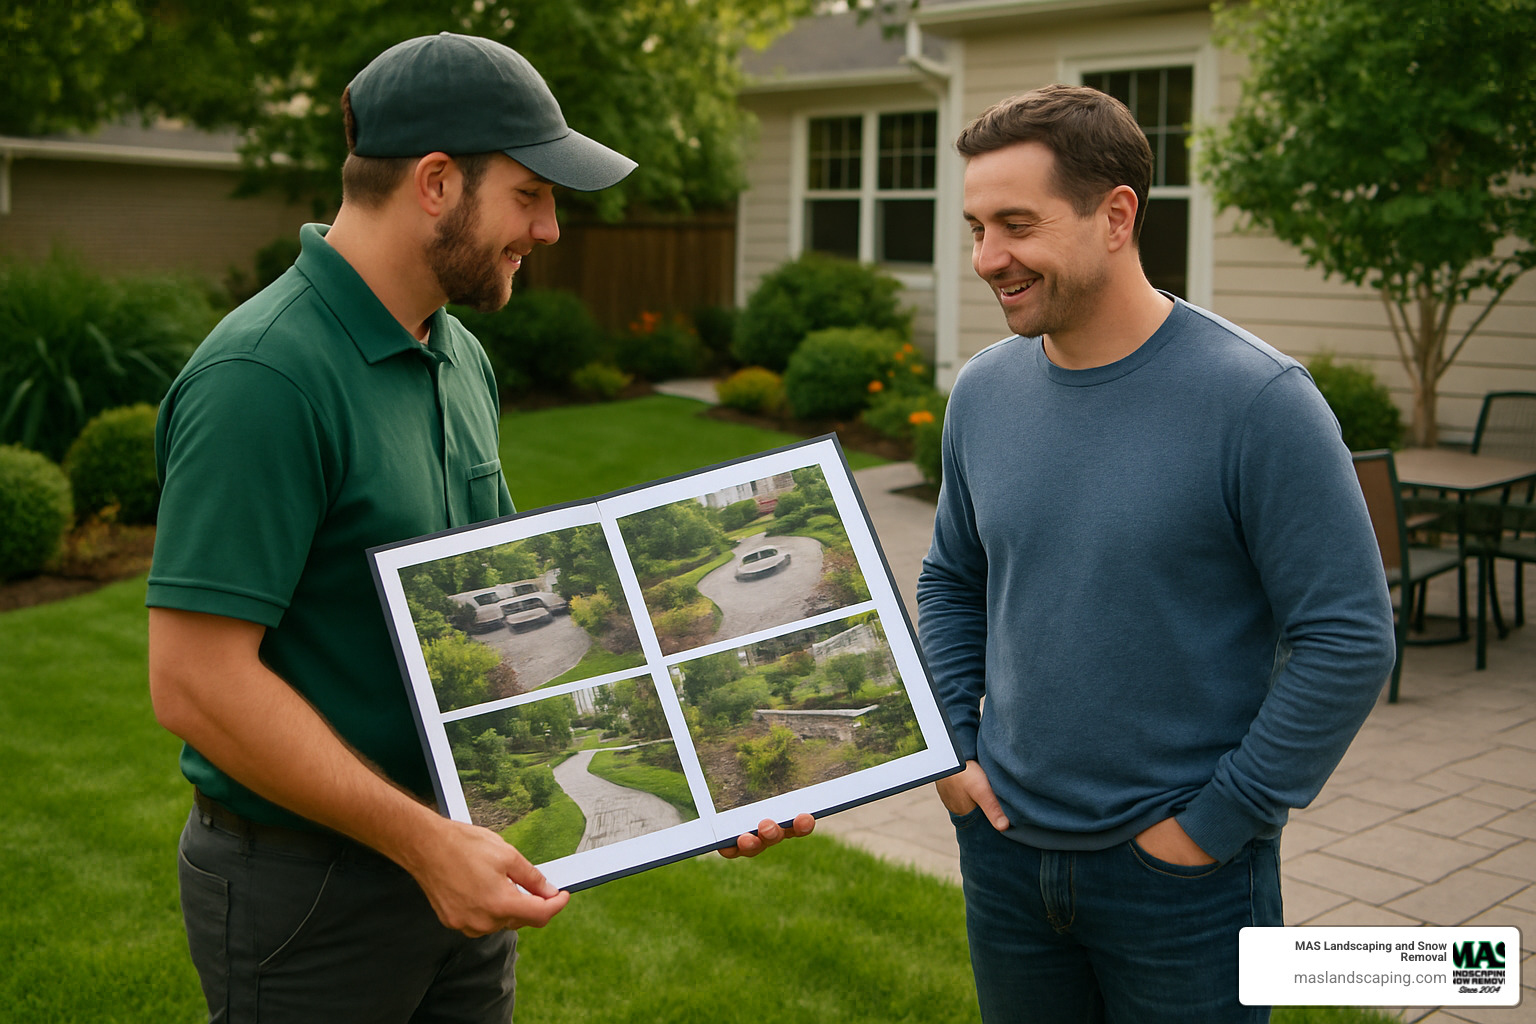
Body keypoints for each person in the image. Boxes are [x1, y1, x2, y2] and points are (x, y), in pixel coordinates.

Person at [147, 32, 808, 1024]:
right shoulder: (265, 379)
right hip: (311, 892)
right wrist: (424, 844)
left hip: (461, 854)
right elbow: (196, 681)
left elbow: (491, 606)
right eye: (531, 195)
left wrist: (698, 761)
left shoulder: (456, 354)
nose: (549, 230)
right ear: (437, 181)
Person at [915, 85, 1397, 1023]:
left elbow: (1348, 636)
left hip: (1186, 886)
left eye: (1017, 224)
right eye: (975, 227)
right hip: (1007, 855)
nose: (988, 259)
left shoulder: (1258, 401)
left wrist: (1213, 828)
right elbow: (952, 579)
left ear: (1118, 216)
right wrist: (951, 752)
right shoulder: (983, 391)